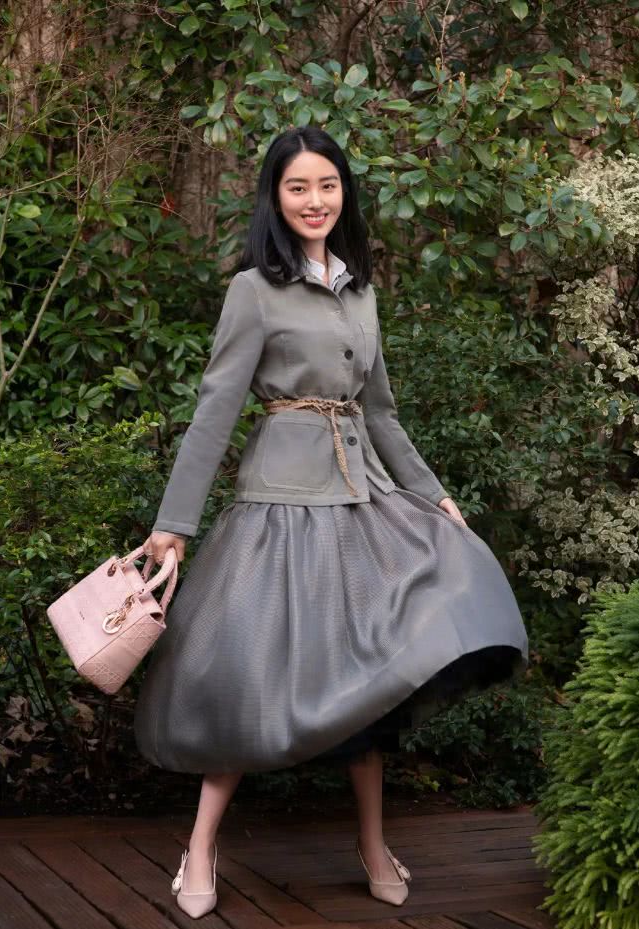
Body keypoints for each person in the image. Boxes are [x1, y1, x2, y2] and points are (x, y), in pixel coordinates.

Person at [134, 126, 528, 918]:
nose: (314, 200)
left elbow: (379, 412)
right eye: (297, 187)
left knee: (371, 676)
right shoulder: (253, 290)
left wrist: (431, 493)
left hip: (362, 502)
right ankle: (201, 846)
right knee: (251, 677)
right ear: (274, 198)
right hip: (279, 508)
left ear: (343, 193)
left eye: (327, 185)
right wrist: (174, 523)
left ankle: (373, 843)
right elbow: (215, 411)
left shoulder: (360, 290)